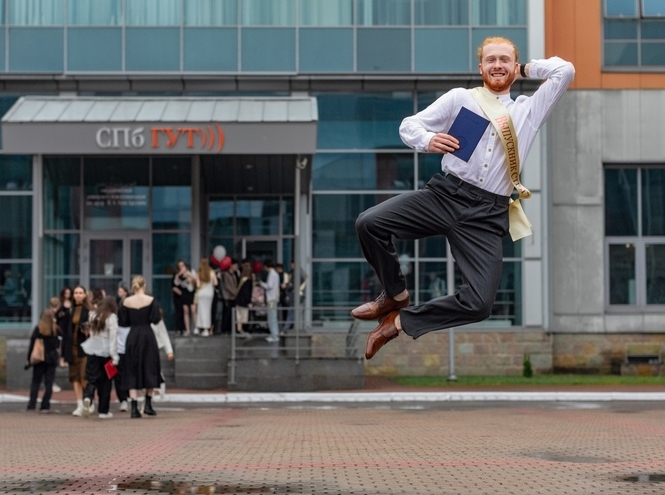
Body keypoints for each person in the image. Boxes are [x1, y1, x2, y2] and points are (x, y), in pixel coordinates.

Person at [352, 37, 575, 360]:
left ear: (515, 66)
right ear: (480, 67)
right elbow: (409, 126)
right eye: (490, 60)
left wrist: (526, 68)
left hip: (487, 213)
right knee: (369, 223)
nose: (497, 65)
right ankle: (396, 295)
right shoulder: (462, 99)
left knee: (480, 303)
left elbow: (564, 71)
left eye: (504, 60)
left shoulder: (529, 110)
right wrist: (428, 140)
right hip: (446, 195)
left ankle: (397, 322)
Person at [118, 276, 162, 418]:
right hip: (147, 336)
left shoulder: (126, 301)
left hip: (133, 336)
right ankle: (148, 405)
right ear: (145, 285)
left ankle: (134, 408)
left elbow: (123, 322)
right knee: (150, 368)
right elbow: (156, 319)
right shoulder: (151, 300)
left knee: (132, 370)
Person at [81, 296, 119, 419]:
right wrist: (115, 357)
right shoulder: (112, 317)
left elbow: (91, 333)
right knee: (106, 382)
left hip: (92, 349)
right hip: (106, 351)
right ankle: (103, 410)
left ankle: (88, 397)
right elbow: (113, 338)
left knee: (92, 377)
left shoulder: (92, 314)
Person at [61, 285, 91, 416]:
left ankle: (88, 402)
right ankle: (79, 404)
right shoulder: (70, 311)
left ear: (85, 295)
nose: (78, 295)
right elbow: (65, 332)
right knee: (75, 378)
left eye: (81, 293)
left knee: (84, 377)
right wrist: (63, 354)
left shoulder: (88, 311)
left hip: (84, 348)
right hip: (71, 348)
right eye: (76, 293)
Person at [26, 308, 61, 413]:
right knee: (49, 382)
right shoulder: (56, 330)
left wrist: (29, 359)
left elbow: (32, 345)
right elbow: (58, 345)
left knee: (36, 382)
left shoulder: (38, 329)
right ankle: (45, 404)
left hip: (39, 359)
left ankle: (32, 404)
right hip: (51, 358)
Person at [194, 258, 218, 337]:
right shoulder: (212, 272)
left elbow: (198, 285)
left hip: (201, 293)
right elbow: (215, 283)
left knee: (200, 311)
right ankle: (206, 329)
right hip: (209, 293)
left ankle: (199, 328)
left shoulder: (199, 273)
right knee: (207, 311)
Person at [172, 260, 196, 336]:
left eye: (183, 265)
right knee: (185, 310)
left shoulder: (191, 271)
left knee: (193, 310)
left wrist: (188, 274)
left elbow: (195, 279)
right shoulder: (178, 275)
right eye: (180, 266)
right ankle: (188, 330)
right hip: (184, 293)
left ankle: (197, 328)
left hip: (191, 292)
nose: (182, 267)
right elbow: (176, 283)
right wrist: (180, 274)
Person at [260, 259, 280, 343]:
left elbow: (269, 286)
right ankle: (274, 334)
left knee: (271, 317)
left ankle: (274, 335)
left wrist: (262, 284)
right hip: (274, 297)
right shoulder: (275, 274)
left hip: (271, 298)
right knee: (273, 317)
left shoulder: (272, 274)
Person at [234, 259, 254, 337]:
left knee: (238, 316)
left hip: (238, 300)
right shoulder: (248, 281)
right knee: (243, 316)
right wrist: (248, 301)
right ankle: (240, 330)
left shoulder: (241, 279)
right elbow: (247, 292)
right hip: (244, 301)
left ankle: (239, 329)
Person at [220, 258, 239, 334]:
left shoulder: (234, 274)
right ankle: (225, 329)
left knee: (232, 314)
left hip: (233, 297)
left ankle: (230, 329)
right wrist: (235, 292)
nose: (236, 267)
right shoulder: (226, 274)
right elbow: (228, 286)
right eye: (235, 265)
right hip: (228, 297)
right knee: (227, 314)